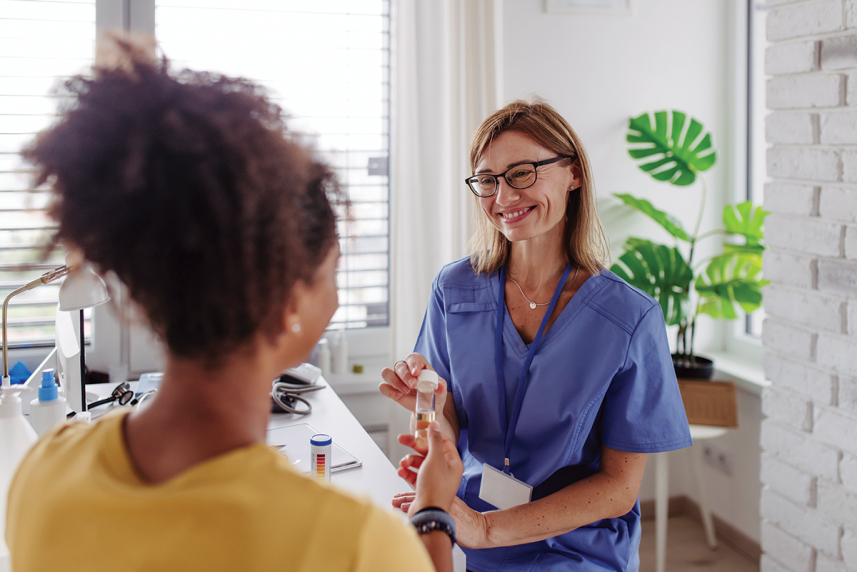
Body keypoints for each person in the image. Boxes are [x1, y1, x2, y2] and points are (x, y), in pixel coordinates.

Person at [6, 37, 461, 572]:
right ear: (289, 299)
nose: (337, 297)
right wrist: (434, 511)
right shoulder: (348, 543)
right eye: (332, 273)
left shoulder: (46, 468)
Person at [380, 98, 693, 571]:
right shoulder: (455, 288)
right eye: (487, 180)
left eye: (522, 173)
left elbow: (619, 486)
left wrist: (486, 530)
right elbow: (446, 426)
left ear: (574, 174)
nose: (503, 197)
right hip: (468, 518)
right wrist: (430, 407)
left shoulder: (628, 317)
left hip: (573, 545)